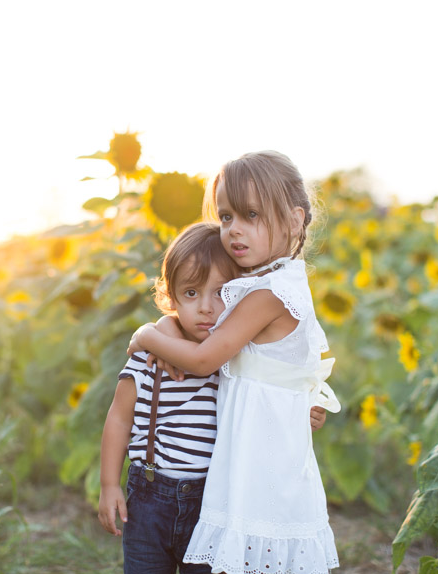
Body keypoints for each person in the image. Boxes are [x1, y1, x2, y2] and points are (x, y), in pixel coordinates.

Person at [127, 151, 341, 573]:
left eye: (251, 215)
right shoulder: (272, 282)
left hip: (261, 458)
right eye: (226, 217)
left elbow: (205, 357)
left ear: (294, 221)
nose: (234, 230)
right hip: (262, 444)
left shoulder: (268, 294)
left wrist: (146, 335)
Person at [99, 222, 327, 574]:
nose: (206, 308)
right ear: (170, 297)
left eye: (220, 293)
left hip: (212, 501)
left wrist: (301, 413)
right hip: (149, 497)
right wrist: (109, 483)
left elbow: (264, 403)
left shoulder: (233, 364)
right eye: (191, 294)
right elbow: (119, 417)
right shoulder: (147, 360)